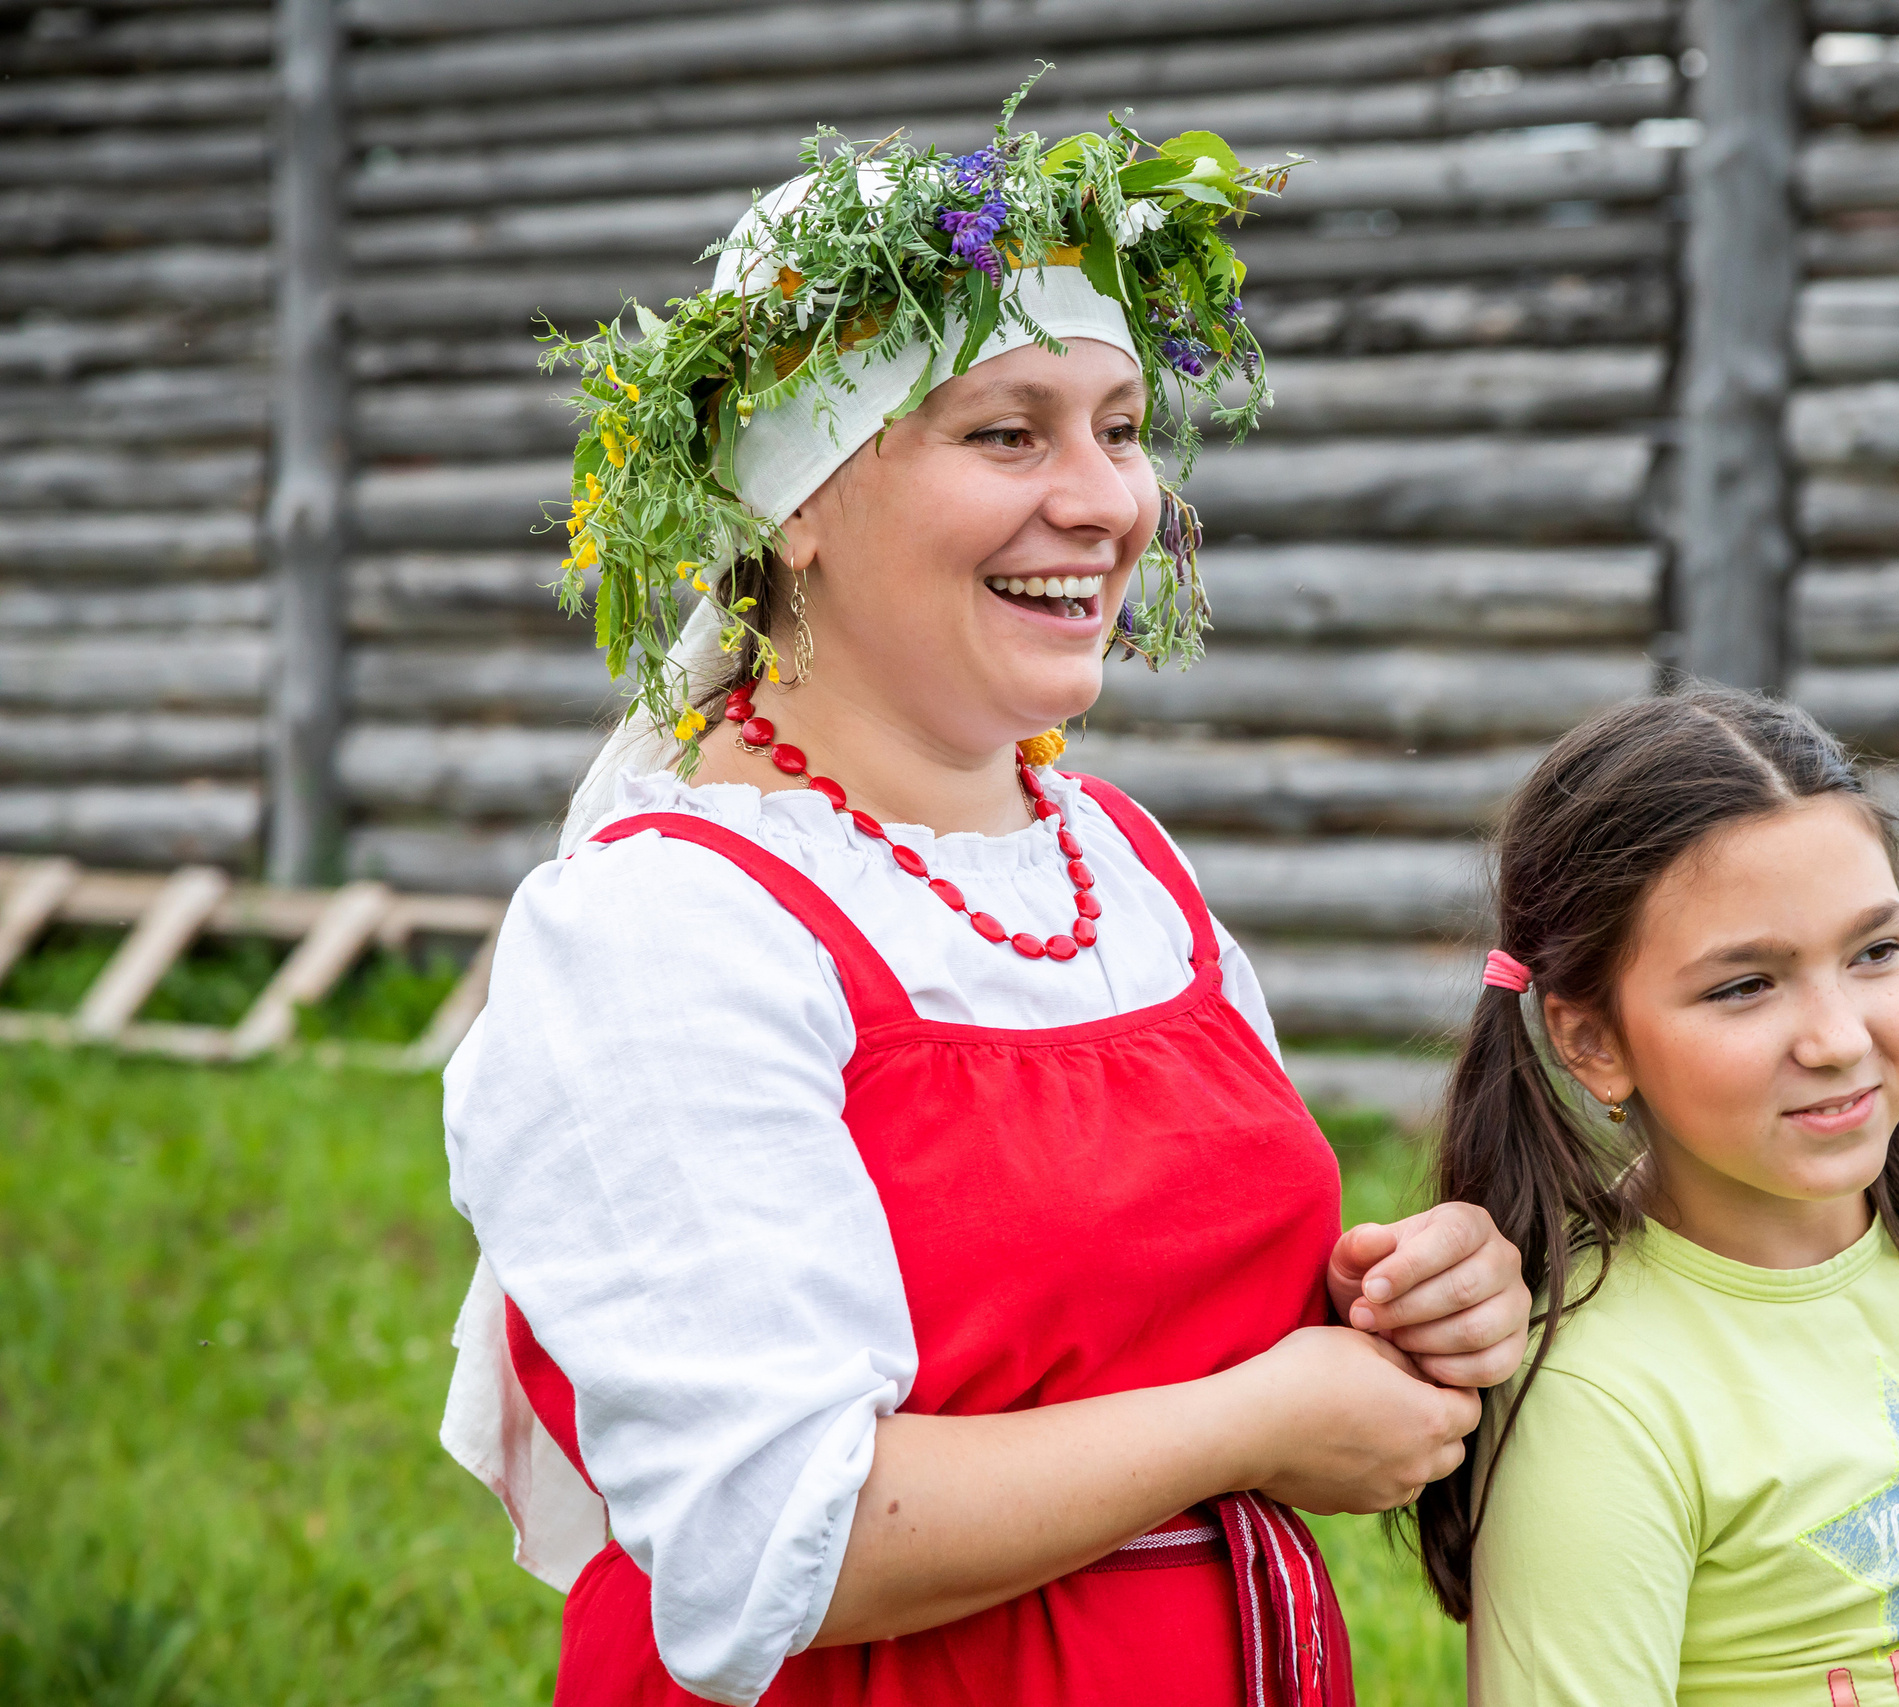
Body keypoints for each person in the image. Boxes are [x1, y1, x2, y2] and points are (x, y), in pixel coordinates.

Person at [438, 107, 1531, 1707]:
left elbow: (1150, 1308)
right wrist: (1259, 1419)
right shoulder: (666, 927)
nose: (1100, 502)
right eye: (1008, 433)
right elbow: (771, 1538)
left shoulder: (1124, 864)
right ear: (796, 499)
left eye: (1120, 424)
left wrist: (1398, 1297)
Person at [1415, 687, 1899, 1707]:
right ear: (1593, 1042)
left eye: (1874, 951)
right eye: (1744, 986)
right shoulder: (1599, 1389)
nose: (1836, 1038)